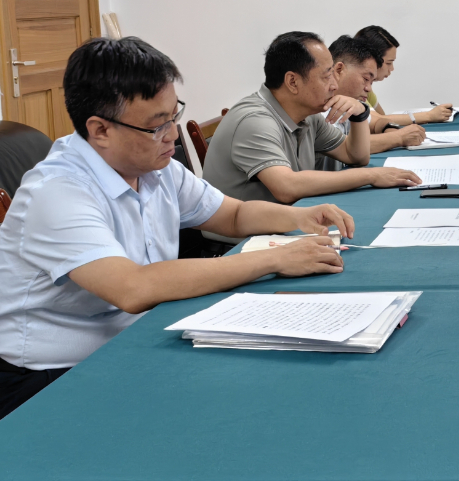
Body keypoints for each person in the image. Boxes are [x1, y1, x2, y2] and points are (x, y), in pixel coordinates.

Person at [0, 37, 354, 419]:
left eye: (174, 115)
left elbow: (232, 215)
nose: (172, 134)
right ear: (100, 130)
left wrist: (299, 218)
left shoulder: (155, 167)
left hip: (136, 338)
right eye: (156, 125)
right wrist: (274, 258)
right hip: (51, 376)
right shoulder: (56, 192)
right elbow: (132, 288)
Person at [204, 32, 421, 204]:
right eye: (326, 76)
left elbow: (355, 156)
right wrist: (371, 176)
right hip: (241, 241)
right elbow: (286, 187)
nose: (334, 85)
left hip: (285, 223)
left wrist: (360, 115)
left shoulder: (308, 116)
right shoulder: (255, 120)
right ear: (293, 82)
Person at [326, 35, 426, 157]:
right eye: (365, 79)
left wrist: (389, 129)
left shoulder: (351, 102)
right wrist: (399, 137)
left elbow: (377, 121)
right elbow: (347, 147)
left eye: (371, 82)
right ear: (339, 70)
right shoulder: (319, 109)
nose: (368, 89)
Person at [354, 25, 454, 129]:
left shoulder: (368, 90)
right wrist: (429, 116)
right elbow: (378, 120)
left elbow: (382, 121)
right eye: (389, 63)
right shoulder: (356, 88)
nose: (392, 68)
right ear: (371, 60)